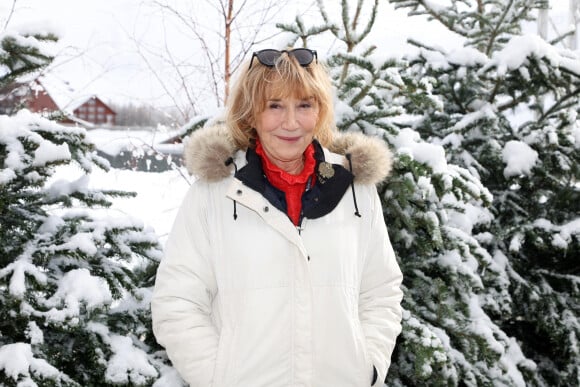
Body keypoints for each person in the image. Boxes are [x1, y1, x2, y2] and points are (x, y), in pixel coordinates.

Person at [151, 48, 403, 387]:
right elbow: (176, 303)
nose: (290, 122)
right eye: (274, 106)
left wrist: (367, 368)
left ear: (320, 111)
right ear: (251, 112)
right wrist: (219, 379)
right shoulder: (214, 193)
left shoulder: (354, 190)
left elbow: (381, 292)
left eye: (304, 105)